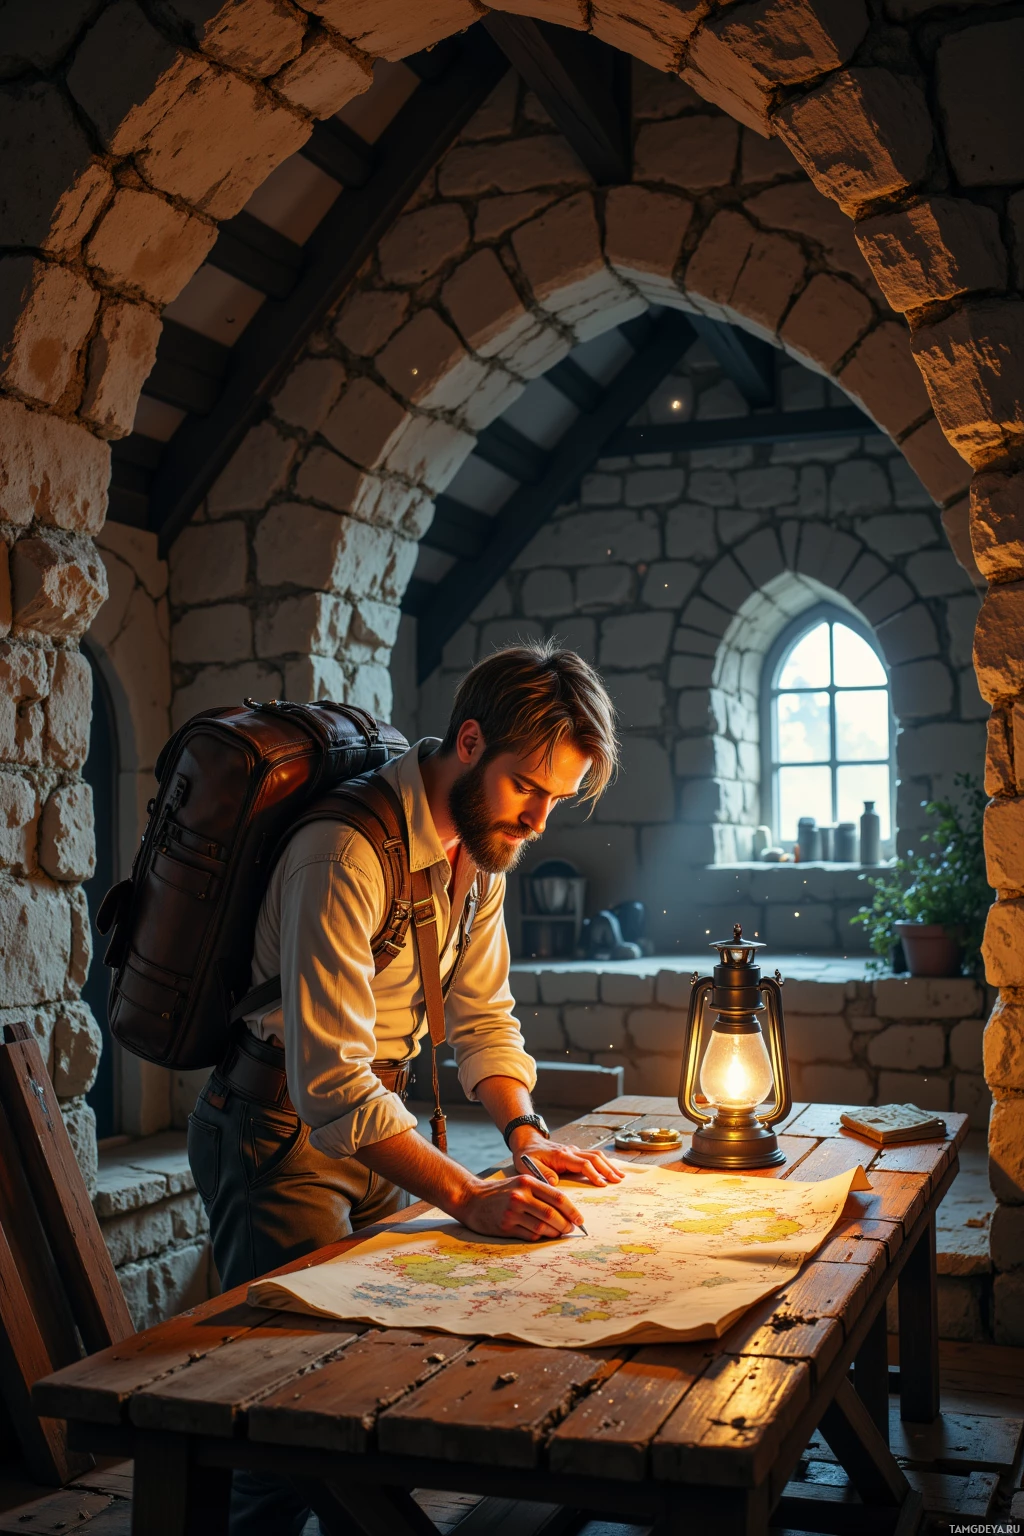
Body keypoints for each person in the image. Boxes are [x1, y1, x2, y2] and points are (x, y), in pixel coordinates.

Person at [187, 641, 623, 1535]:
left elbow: (483, 1016)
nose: (540, 822)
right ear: (470, 741)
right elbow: (330, 1083)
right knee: (291, 1422)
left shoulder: (477, 845)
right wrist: (466, 1195)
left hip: (377, 1134)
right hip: (280, 1140)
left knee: (369, 1396)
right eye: (529, 790)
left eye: (558, 802)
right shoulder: (342, 852)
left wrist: (525, 1135)